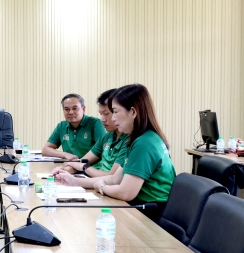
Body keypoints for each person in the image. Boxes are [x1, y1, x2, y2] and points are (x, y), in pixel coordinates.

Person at [54, 84, 176, 223]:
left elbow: (125, 193)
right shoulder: (138, 138)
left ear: (133, 112)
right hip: (143, 206)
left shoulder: (143, 143)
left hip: (150, 212)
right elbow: (115, 179)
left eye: (115, 112)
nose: (113, 118)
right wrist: (74, 181)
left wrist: (101, 187)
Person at [51, 88, 128, 183]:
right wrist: (65, 170)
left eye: (106, 114)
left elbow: (112, 177)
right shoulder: (107, 136)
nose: (102, 119)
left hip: (105, 185)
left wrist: (84, 168)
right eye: (101, 114)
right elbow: (83, 161)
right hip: (99, 183)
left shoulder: (129, 139)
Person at [42, 93, 106, 160]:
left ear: (83, 109)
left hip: (91, 165)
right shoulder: (61, 126)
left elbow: (102, 150)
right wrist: (65, 154)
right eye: (67, 109)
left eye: (75, 108)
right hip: (69, 165)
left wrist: (80, 163)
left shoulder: (95, 123)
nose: (71, 112)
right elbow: (45, 150)